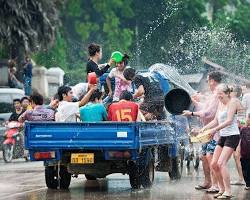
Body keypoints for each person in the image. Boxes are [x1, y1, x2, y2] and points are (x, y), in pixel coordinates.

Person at [183, 71, 222, 193]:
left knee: (211, 158)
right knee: (204, 157)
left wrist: (192, 113)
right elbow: (204, 107)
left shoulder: (218, 95)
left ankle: (216, 185)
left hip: (214, 133)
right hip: (206, 131)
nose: (208, 84)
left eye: (208, 80)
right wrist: (193, 101)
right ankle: (208, 182)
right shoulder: (212, 95)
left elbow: (209, 112)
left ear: (213, 81)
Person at [201, 84, 241, 199]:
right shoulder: (220, 102)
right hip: (223, 136)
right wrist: (205, 128)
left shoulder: (232, 102)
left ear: (227, 93)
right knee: (214, 164)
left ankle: (228, 191)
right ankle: (221, 189)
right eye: (217, 94)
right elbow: (216, 120)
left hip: (232, 135)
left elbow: (228, 121)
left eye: (221, 94)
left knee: (221, 163)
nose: (219, 96)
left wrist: (215, 130)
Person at [230, 85, 245, 185]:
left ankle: (242, 179)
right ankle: (241, 178)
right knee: (236, 156)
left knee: (237, 156)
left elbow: (242, 121)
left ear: (234, 93)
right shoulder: (234, 102)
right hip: (237, 132)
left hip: (240, 132)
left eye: (230, 91)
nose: (228, 92)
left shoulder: (236, 102)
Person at [240, 113, 250, 190]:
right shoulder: (243, 129)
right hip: (245, 155)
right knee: (245, 169)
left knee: (246, 169)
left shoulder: (243, 129)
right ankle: (248, 184)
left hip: (245, 154)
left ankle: (248, 184)